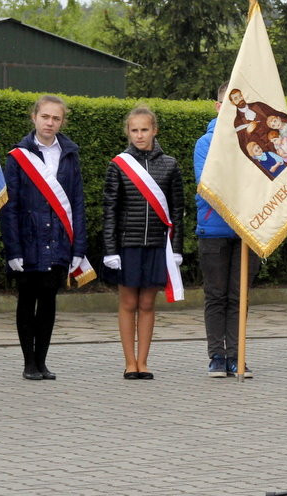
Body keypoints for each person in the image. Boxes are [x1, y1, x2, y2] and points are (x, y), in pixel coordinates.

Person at [1, 95, 87, 380]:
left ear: (62, 121)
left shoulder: (70, 154)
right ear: (34, 117)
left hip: (60, 239)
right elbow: (9, 206)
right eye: (45, 117)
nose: (50, 123)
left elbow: (76, 202)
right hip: (27, 240)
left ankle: (42, 361)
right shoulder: (17, 157)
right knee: (27, 299)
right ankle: (28, 362)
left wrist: (78, 247)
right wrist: (13, 249)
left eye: (56, 118)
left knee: (49, 300)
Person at [103, 106, 184, 380]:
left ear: (155, 130)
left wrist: (177, 249)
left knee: (148, 303)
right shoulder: (118, 165)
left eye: (144, 129)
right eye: (134, 130)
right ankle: (129, 362)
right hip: (128, 245)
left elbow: (177, 211)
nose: (139, 135)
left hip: (157, 246)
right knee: (128, 302)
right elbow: (110, 210)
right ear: (128, 132)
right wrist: (110, 250)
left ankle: (144, 361)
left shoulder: (170, 164)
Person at [194, 82, 260, 378]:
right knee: (216, 295)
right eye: (226, 105)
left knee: (238, 295)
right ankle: (217, 356)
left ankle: (237, 354)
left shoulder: (257, 141)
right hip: (215, 228)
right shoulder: (205, 143)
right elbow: (209, 184)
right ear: (218, 107)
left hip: (248, 230)